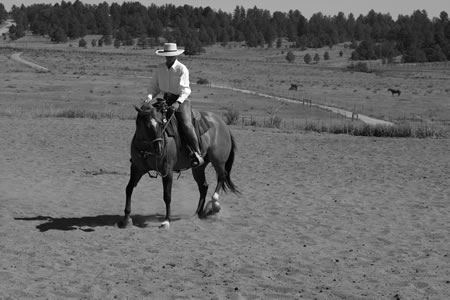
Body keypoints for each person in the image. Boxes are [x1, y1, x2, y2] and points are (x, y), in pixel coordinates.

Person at [144, 43, 204, 168]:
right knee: (148, 119)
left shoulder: (182, 69)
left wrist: (177, 103)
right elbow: (153, 87)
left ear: (175, 55)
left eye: (171, 55)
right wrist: (149, 98)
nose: (168, 58)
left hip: (181, 101)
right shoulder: (160, 68)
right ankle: (145, 150)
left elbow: (186, 90)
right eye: (167, 55)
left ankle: (197, 153)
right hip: (164, 100)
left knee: (186, 124)